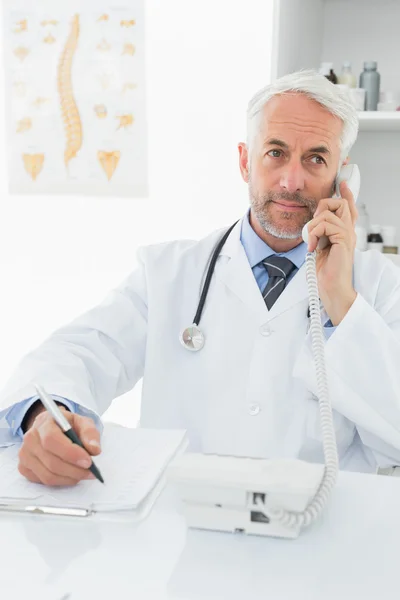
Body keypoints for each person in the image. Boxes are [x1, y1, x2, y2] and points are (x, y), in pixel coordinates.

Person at [1, 69, 400, 487]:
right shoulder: (167, 274)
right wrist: (43, 416)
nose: (291, 180)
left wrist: (341, 301)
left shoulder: (379, 287)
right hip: (182, 538)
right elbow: (78, 352)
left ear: (342, 175)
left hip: (322, 541)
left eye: (316, 158)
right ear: (246, 161)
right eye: (276, 153)